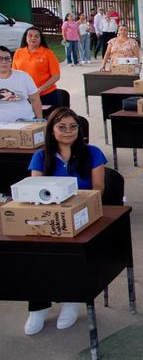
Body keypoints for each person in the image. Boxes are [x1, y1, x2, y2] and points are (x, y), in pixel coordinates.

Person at [25, 107, 106, 335]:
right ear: (51, 131)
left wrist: (72, 205)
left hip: (83, 216)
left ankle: (71, 300)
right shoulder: (41, 157)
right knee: (35, 254)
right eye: (62, 127)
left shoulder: (92, 153)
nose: (68, 131)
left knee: (70, 254)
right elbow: (35, 192)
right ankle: (38, 307)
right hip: (50, 217)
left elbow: (98, 190)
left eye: (73, 127)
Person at [12, 27, 61, 107]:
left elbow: (56, 76)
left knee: (43, 119)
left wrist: (39, 90)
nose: (33, 38)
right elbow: (14, 74)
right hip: (24, 96)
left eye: (36, 36)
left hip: (46, 95)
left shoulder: (48, 53)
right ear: (26, 37)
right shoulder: (18, 52)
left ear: (40, 38)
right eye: (30, 36)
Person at [0, 46, 42, 122]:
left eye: (7, 58)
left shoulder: (23, 76)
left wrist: (40, 121)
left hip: (26, 121)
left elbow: (35, 100)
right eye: (0, 59)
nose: (4, 62)